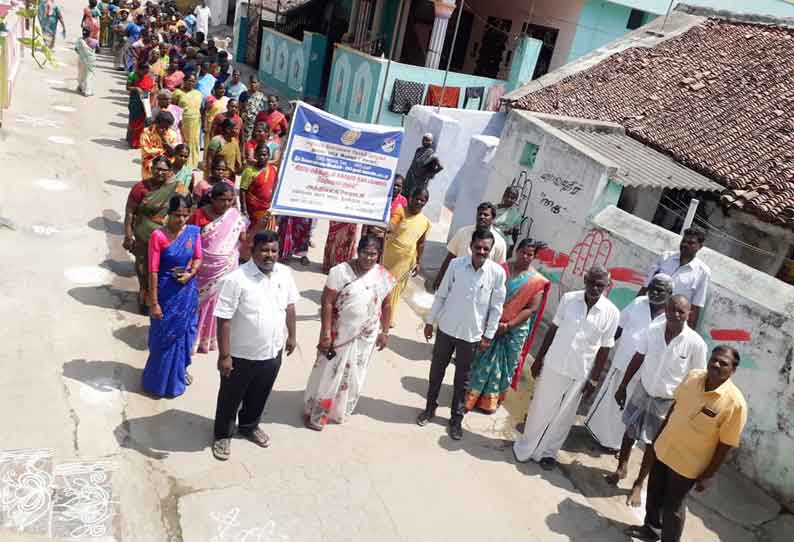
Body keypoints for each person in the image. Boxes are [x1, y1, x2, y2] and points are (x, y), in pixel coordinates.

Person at [625, 346, 746, 542]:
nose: (716, 364)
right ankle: (650, 530)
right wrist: (658, 438)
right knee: (654, 493)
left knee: (673, 507)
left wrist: (708, 475)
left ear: (732, 370)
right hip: (665, 447)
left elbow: (726, 444)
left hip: (687, 464)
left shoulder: (735, 403)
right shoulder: (693, 377)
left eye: (723, 363)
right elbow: (674, 407)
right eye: (714, 359)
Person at [513, 265, 619, 469]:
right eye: (591, 283)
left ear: (607, 286)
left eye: (600, 285)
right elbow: (553, 329)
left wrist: (594, 380)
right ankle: (526, 448)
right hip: (554, 363)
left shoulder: (612, 313)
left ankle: (548, 453)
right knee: (540, 408)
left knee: (564, 416)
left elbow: (605, 349)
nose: (595, 288)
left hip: (580, 371)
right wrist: (539, 359)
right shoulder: (569, 299)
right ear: (585, 280)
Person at [610, 295, 709, 507]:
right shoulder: (653, 330)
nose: (676, 314)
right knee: (629, 430)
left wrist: (684, 409)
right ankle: (621, 467)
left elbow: (698, 379)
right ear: (665, 309)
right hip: (643, 390)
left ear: (689, 314)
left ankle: (638, 483)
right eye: (672, 309)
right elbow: (639, 357)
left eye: (681, 311)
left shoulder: (696, 344)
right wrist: (623, 385)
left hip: (668, 402)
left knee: (652, 444)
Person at [212, 230, 298, 460]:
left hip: (272, 351)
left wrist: (291, 336)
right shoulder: (236, 279)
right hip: (241, 355)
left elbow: (290, 306)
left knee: (260, 394)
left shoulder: (285, 274)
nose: (269, 255)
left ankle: (249, 426)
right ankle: (222, 435)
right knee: (230, 398)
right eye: (264, 250)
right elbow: (224, 319)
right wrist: (225, 355)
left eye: (273, 250)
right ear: (252, 251)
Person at [418, 228, 507, 440]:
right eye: (478, 247)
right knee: (437, 371)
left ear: (491, 250)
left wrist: (488, 335)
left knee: (462, 380)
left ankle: (455, 419)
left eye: (486, 249)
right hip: (447, 328)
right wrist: (430, 321)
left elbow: (496, 307)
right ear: (471, 247)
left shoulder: (497, 274)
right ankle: (430, 408)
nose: (482, 252)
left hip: (472, 335)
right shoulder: (456, 265)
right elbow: (441, 294)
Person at [304, 235, 395, 430]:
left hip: (365, 337)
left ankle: (338, 412)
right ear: (357, 251)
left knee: (354, 374)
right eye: (365, 253)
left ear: (379, 255)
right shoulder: (340, 272)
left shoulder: (384, 276)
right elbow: (327, 303)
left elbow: (387, 305)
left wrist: (385, 332)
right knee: (328, 372)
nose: (368, 259)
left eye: (373, 255)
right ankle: (317, 414)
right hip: (339, 334)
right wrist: (326, 333)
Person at [585, 274, 673, 451]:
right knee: (610, 401)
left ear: (670, 293)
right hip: (622, 362)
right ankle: (597, 434)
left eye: (660, 290)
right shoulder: (639, 302)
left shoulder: (671, 317)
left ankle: (617, 445)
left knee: (630, 408)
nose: (654, 292)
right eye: (652, 288)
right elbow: (619, 327)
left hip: (644, 374)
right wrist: (601, 348)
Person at [465, 238, 551, 413]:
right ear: (516, 251)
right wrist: (491, 321)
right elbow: (486, 292)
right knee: (480, 358)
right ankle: (470, 397)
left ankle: (490, 401)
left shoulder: (536, 281)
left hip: (515, 330)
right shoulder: (501, 269)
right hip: (490, 323)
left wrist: (508, 325)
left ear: (533, 257)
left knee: (504, 365)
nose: (525, 257)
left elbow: (531, 308)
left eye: (530, 255)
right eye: (523, 252)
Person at [142, 194, 203, 398]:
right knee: (163, 337)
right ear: (169, 214)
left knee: (184, 334)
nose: (182, 220)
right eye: (177, 215)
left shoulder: (193, 233)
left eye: (186, 215)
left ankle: (179, 373)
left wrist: (191, 274)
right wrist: (154, 302)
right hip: (165, 293)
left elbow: (197, 257)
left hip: (186, 293)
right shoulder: (158, 236)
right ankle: (157, 382)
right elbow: (152, 271)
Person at [124, 156, 190, 313]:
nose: (159, 172)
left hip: (167, 238)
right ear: (151, 169)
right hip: (143, 238)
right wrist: (128, 235)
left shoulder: (177, 187)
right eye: (157, 168)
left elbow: (189, 205)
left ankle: (159, 299)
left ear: (169, 171)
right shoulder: (140, 188)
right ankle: (144, 296)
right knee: (144, 269)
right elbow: (130, 212)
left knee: (162, 269)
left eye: (163, 169)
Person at [190, 183, 247, 354]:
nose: (227, 204)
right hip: (201, 268)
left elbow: (244, 239)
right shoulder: (199, 215)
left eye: (230, 200)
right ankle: (191, 338)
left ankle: (208, 339)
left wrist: (261, 225)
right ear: (213, 199)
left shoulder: (234, 216)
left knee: (216, 303)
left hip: (225, 268)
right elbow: (190, 241)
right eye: (223, 200)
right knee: (196, 304)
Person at [638, 228, 710, 328]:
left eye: (690, 243)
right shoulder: (665, 258)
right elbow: (645, 287)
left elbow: (695, 307)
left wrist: (689, 332)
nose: (685, 244)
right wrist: (635, 307)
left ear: (700, 247)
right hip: (646, 313)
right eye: (683, 241)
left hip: (669, 322)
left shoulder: (702, 272)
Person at [382, 187, 431, 325]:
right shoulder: (400, 210)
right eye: (417, 198)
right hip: (389, 257)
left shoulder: (425, 222)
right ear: (411, 197)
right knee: (382, 285)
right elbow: (393, 223)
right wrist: (388, 226)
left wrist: (419, 261)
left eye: (423, 200)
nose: (419, 202)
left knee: (396, 289)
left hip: (406, 261)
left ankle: (387, 318)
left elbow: (421, 243)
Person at [433, 202, 507, 290]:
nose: (482, 217)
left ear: (493, 218)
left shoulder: (500, 243)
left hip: (479, 289)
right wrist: (440, 278)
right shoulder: (462, 232)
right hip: (456, 283)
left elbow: (499, 270)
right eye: (480, 214)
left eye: (486, 215)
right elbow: (450, 257)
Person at [241, 143, 278, 234]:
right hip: (253, 210)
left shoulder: (274, 169)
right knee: (254, 234)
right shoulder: (249, 171)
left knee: (268, 235)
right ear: (255, 155)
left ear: (269, 156)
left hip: (269, 209)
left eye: (264, 155)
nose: (262, 157)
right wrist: (244, 209)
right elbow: (243, 190)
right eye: (260, 154)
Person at [172, 73, 203, 169]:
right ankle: (181, 162)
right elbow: (173, 107)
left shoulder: (198, 93)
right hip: (183, 121)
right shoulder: (177, 92)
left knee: (194, 142)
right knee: (183, 141)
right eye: (189, 80)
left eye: (193, 81)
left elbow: (201, 108)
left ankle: (193, 164)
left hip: (195, 121)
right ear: (184, 81)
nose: (191, 83)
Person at [140, 111, 179, 178]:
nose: (164, 129)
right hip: (149, 166)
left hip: (166, 167)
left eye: (167, 127)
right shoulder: (146, 132)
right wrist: (164, 151)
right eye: (162, 127)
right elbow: (146, 150)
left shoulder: (172, 134)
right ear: (156, 123)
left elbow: (173, 153)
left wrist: (163, 139)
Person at [403, 133, 443, 197]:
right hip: (410, 176)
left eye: (428, 140)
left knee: (413, 196)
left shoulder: (432, 155)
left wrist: (429, 174)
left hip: (419, 180)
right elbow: (413, 163)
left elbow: (441, 167)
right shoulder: (418, 150)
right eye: (424, 139)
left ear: (431, 142)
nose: (425, 141)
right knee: (405, 193)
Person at [126, 63, 156, 148]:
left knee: (143, 122)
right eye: (144, 71)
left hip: (146, 102)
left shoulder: (149, 78)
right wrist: (136, 88)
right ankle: (131, 140)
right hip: (135, 102)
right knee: (133, 121)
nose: (145, 73)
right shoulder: (132, 75)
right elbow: (127, 87)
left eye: (147, 72)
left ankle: (139, 141)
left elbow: (153, 89)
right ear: (139, 70)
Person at [206, 118, 242, 183]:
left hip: (230, 179)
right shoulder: (216, 140)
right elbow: (209, 160)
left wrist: (231, 172)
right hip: (216, 178)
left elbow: (238, 164)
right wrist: (211, 176)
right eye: (235, 129)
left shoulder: (235, 142)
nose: (237, 131)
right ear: (228, 129)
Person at [493, 186, 522, 254]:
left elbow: (515, 234)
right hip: (486, 237)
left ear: (515, 200)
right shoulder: (493, 208)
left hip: (501, 243)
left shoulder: (516, 216)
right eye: (507, 196)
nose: (509, 199)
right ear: (503, 195)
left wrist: (511, 250)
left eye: (512, 198)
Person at [74, 27, 99, 97]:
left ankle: (80, 87)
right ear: (90, 33)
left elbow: (76, 49)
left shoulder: (79, 40)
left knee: (81, 73)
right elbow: (98, 50)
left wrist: (82, 54)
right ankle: (87, 91)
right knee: (89, 75)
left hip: (81, 59)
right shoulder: (94, 41)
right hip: (90, 60)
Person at [241, 76, 267, 141]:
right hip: (245, 124)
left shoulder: (262, 97)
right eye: (251, 82)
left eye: (255, 82)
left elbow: (264, 113)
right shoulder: (244, 94)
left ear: (259, 83)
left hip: (256, 125)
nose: (253, 84)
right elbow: (240, 108)